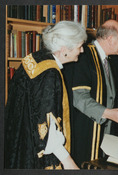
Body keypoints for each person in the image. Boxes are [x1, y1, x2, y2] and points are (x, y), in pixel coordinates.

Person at [4, 21, 87, 169]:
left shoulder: (35, 57)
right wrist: (68, 162)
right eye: (79, 46)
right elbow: (47, 128)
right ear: (64, 50)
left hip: (18, 140)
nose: (81, 51)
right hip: (35, 153)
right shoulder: (49, 73)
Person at [70, 20, 118, 168]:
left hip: (105, 134)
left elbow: (113, 97)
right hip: (86, 129)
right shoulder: (83, 56)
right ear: (110, 39)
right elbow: (79, 97)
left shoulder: (109, 60)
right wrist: (107, 113)